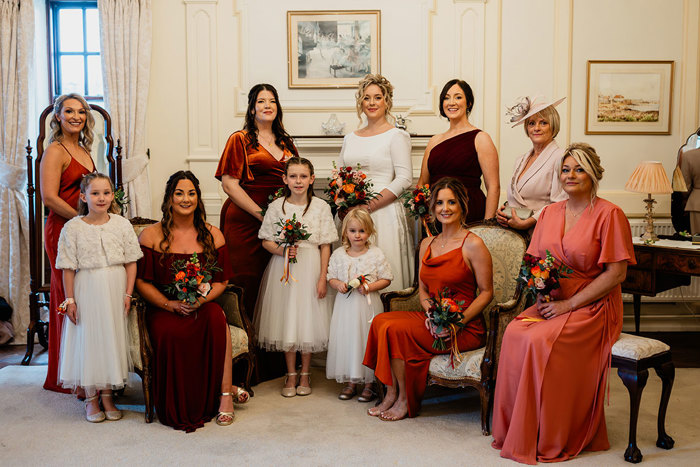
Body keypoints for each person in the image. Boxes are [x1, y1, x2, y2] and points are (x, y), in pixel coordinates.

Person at [491, 143, 636, 464]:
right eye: (566, 169)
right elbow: (536, 261)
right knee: (516, 332)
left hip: (593, 305)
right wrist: (542, 291)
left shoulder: (610, 214)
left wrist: (567, 306)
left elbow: (616, 274)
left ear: (594, 174)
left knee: (540, 340)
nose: (570, 175)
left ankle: (552, 433)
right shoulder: (551, 213)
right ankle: (521, 428)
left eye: (579, 169)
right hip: (554, 300)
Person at [363, 177, 493, 421]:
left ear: (462, 206)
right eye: (440, 203)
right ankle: (391, 393)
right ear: (432, 208)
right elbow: (422, 289)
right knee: (382, 321)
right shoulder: (426, 243)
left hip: (464, 328)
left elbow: (487, 292)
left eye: (452, 202)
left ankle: (404, 401)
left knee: (395, 330)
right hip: (433, 318)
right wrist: (431, 315)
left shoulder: (473, 244)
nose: (445, 208)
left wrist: (456, 321)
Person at [135, 171, 249, 432]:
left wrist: (200, 302)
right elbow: (141, 282)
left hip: (201, 304)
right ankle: (215, 391)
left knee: (215, 318)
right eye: (179, 193)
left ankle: (224, 398)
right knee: (172, 333)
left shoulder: (213, 235)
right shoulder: (151, 236)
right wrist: (168, 304)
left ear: (198, 198)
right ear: (169, 199)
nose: (186, 199)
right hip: (163, 307)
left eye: (191, 193)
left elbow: (220, 281)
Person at [55, 173, 142, 422]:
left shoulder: (121, 224)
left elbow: (131, 262)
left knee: (109, 338)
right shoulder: (72, 228)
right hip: (87, 288)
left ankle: (107, 395)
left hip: (115, 287)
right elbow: (68, 268)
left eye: (106, 192)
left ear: (112, 195)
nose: (101, 198)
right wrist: (70, 300)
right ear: (84, 196)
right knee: (90, 338)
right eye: (95, 193)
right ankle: (91, 398)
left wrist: (128, 292)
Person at [255, 157, 338, 397]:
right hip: (283, 269)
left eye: (303, 176)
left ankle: (305, 372)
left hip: (311, 266)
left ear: (312, 179)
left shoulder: (321, 206)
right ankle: (290, 373)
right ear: (285, 179)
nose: (298, 181)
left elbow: (325, 245)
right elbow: (266, 240)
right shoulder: (277, 206)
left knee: (307, 319)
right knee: (287, 318)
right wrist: (282, 250)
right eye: (293, 176)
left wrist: (323, 276)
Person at [215, 83, 298, 320]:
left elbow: (297, 178)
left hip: (278, 223)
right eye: (261, 101)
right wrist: (263, 215)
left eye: (272, 101)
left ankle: (272, 350)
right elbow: (229, 184)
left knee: (273, 282)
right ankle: (247, 343)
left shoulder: (287, 142)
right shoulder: (239, 139)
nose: (267, 105)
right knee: (246, 280)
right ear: (252, 109)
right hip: (245, 221)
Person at [40, 93, 97, 393]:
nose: (76, 116)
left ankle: (84, 367)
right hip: (62, 229)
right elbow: (49, 197)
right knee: (67, 294)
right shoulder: (55, 151)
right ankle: (65, 376)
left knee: (86, 295)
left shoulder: (86, 151)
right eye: (69, 111)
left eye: (81, 112)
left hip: (84, 228)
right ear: (58, 116)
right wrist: (80, 218)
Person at [337, 74, 413, 291]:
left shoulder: (396, 136)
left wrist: (368, 206)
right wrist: (344, 204)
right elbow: (340, 176)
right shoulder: (350, 138)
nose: (372, 103)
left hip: (383, 213)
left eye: (377, 97)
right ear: (360, 102)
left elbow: (405, 178)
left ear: (387, 101)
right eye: (367, 98)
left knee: (380, 273)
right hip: (351, 213)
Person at [326, 208, 393, 402]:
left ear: (370, 232)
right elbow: (331, 277)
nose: (357, 235)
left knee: (365, 340)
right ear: (345, 232)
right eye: (353, 231)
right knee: (348, 340)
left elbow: (387, 278)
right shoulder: (339, 254)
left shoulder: (375, 254)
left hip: (367, 307)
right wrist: (338, 284)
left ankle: (370, 383)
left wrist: (370, 287)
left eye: (362, 231)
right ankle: (351, 381)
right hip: (345, 308)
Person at [418, 79, 500, 222]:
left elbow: (493, 187)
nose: (451, 102)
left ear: (468, 103)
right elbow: (422, 184)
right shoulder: (434, 141)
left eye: (458, 97)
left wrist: (487, 225)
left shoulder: (481, 138)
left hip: (469, 211)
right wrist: (425, 214)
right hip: (438, 215)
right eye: (446, 98)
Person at [496, 96, 568, 231]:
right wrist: (505, 209)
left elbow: (560, 203)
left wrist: (529, 222)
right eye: (531, 123)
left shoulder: (561, 157)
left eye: (543, 123)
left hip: (542, 231)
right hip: (514, 232)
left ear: (554, 126)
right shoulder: (520, 160)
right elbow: (519, 197)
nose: (537, 128)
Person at [680, 147, 700, 233]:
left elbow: (685, 185)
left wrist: (685, 197)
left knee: (698, 242)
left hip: (697, 202)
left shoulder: (689, 155)